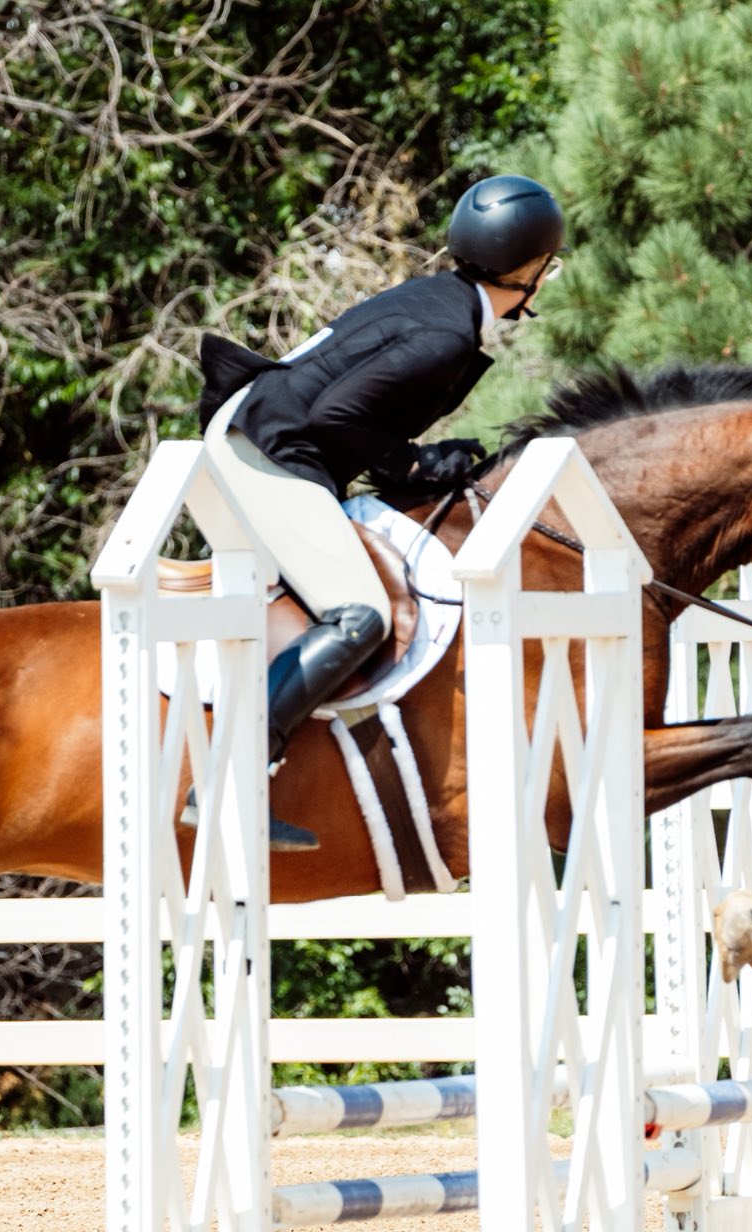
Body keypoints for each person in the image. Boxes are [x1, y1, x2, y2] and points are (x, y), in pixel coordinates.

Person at [189, 173, 566, 850]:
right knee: (359, 613)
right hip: (268, 449)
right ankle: (227, 781)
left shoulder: (441, 301)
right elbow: (338, 416)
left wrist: (414, 457)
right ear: (528, 270)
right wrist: (417, 464)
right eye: (548, 268)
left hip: (276, 437)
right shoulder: (448, 334)